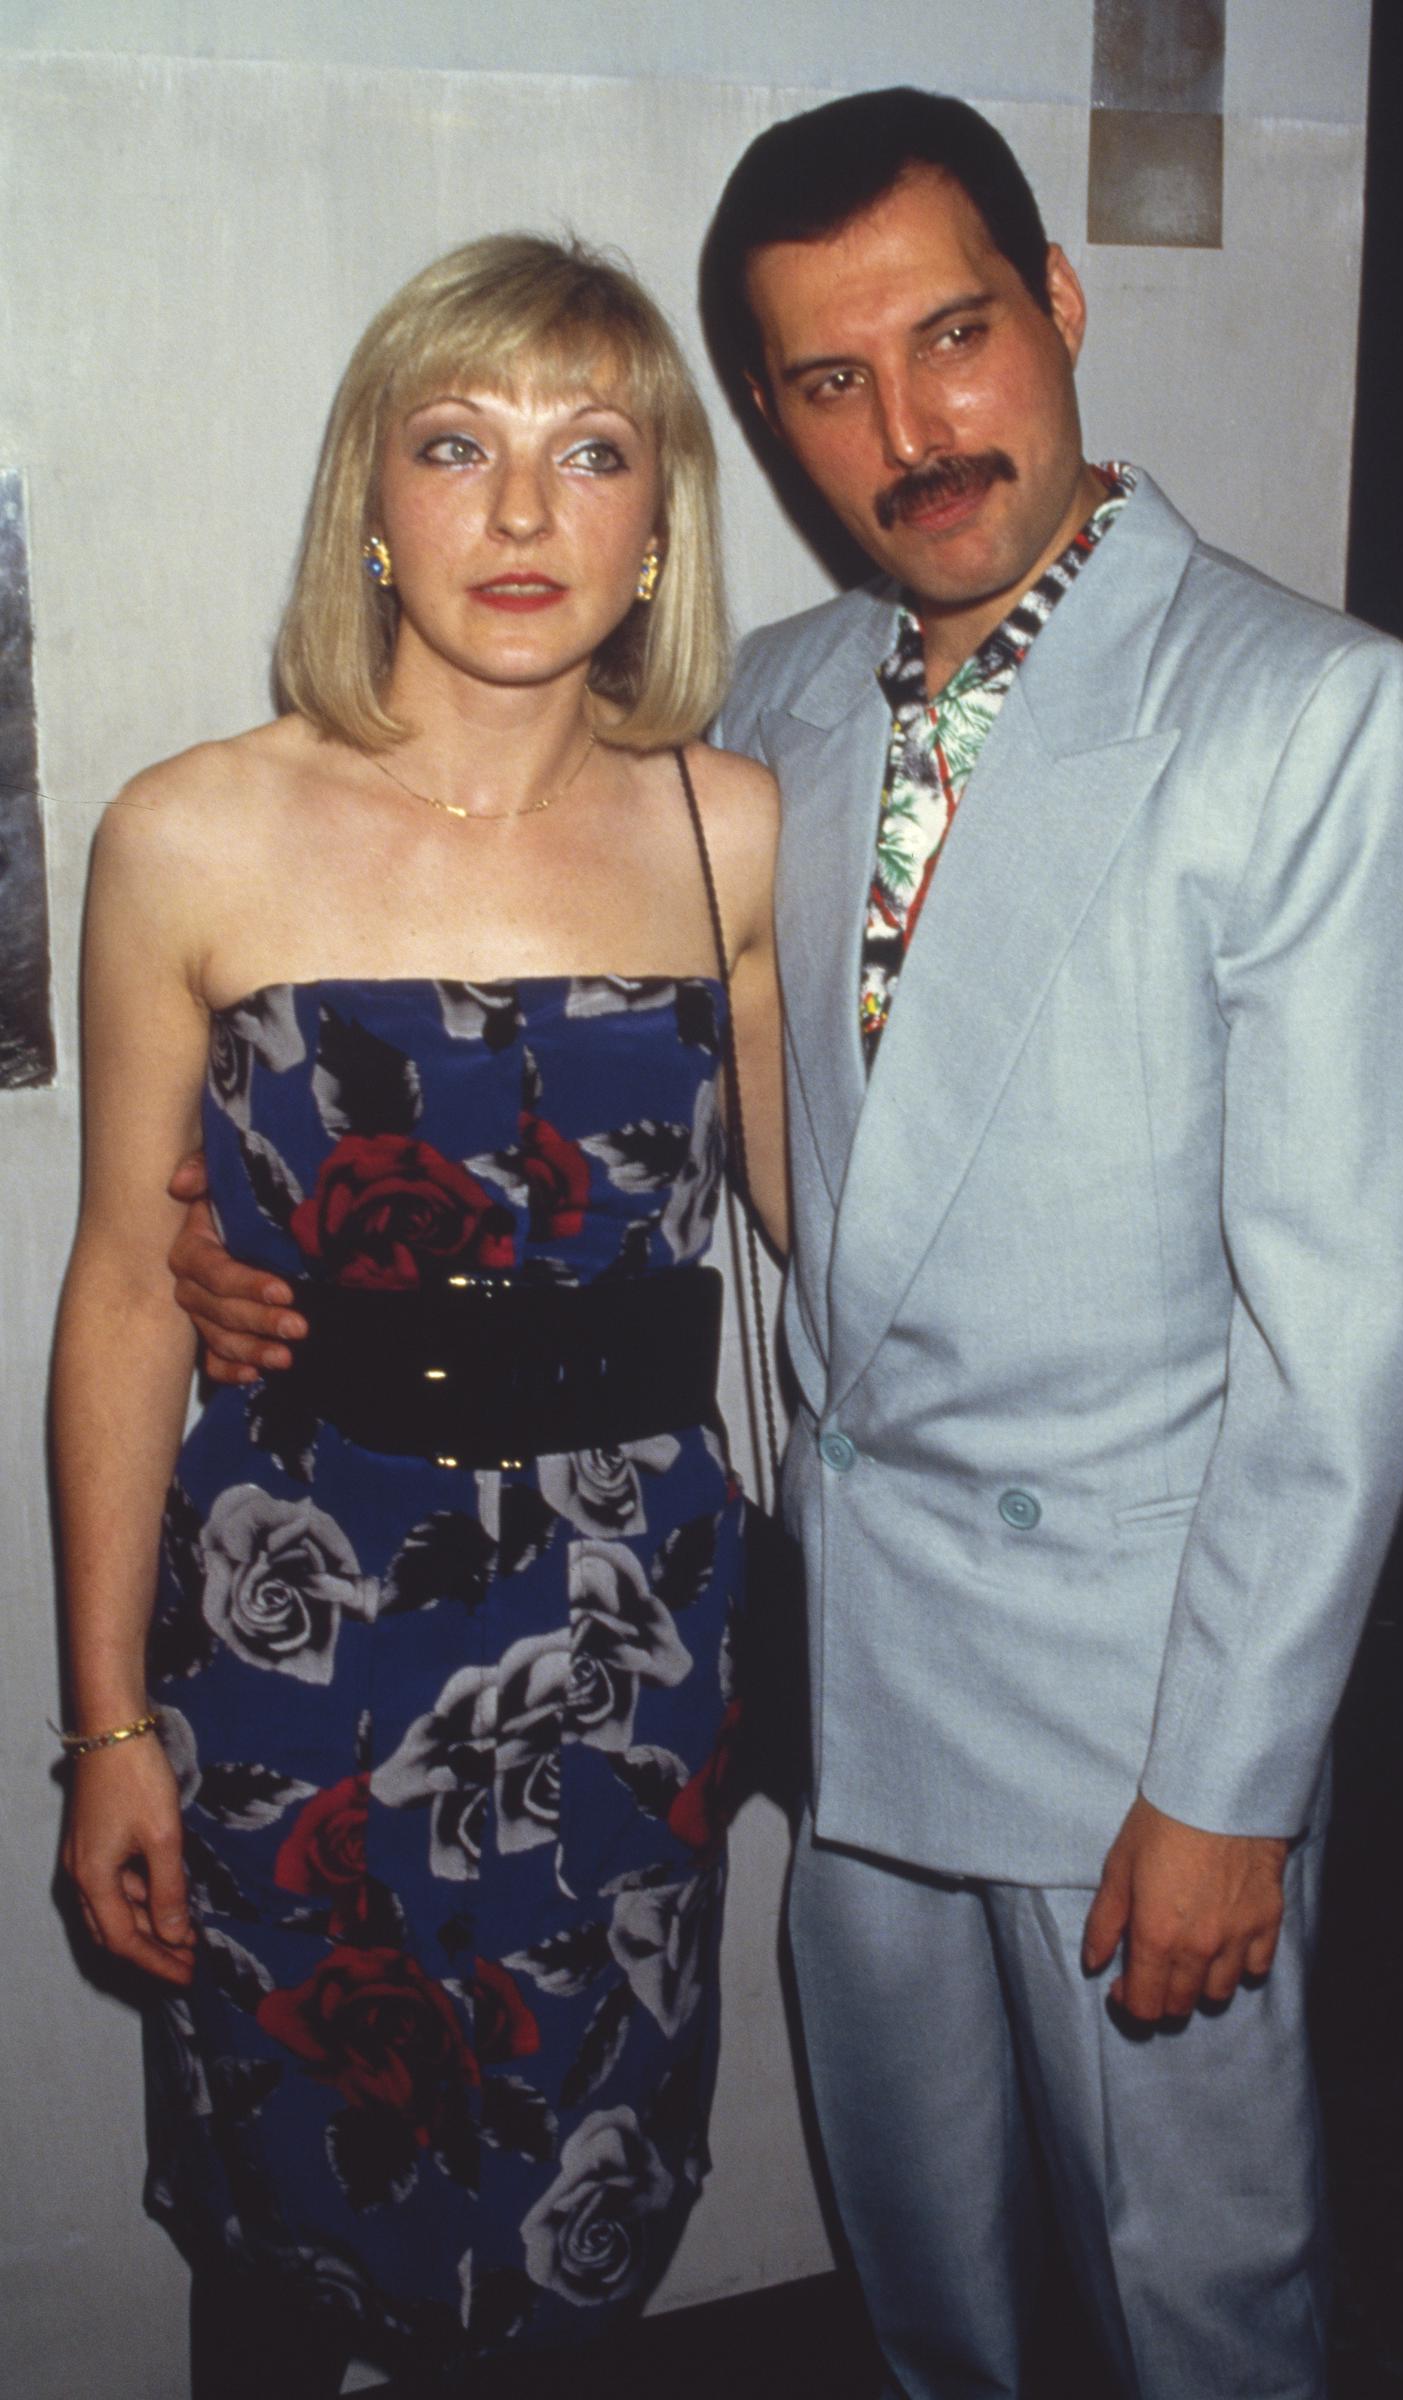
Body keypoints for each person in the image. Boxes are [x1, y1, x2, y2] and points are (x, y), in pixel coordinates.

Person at [171, 88, 1403, 2400]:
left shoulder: (1311, 717)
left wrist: (1233, 1784)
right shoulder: (763, 712)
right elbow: (626, 1119)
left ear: (1061, 310)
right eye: (828, 380)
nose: (914, 424)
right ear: (768, 427)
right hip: (834, 1661)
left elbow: (1350, 1335)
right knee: (919, 2276)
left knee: (1203, 2293)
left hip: (1133, 1707)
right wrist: (254, 1243)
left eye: (958, 332)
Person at [53, 232, 781, 2399]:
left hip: (628, 1624)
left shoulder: (735, 828)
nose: (527, 513)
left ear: (662, 526)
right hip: (299, 1615)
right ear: (373, 500)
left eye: (593, 452)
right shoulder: (188, 834)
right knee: (281, 2214)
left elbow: (855, 1225)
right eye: (458, 447)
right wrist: (104, 1730)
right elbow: (119, 1286)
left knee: (571, 2233)